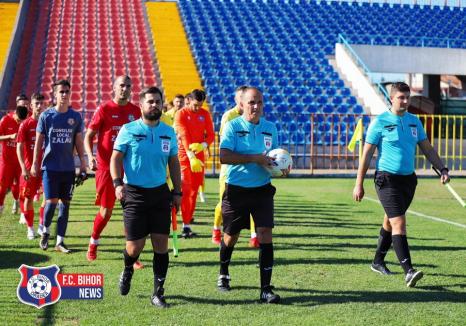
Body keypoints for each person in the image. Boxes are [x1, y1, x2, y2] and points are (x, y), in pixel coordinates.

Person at [353, 82, 450, 288]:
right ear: (391, 98)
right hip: (386, 180)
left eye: (408, 98)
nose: (405, 102)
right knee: (399, 222)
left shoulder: (415, 121)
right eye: (401, 98)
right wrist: (358, 183)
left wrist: (442, 168)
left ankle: (377, 261)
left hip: (408, 181)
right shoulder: (380, 122)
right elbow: (367, 155)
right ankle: (409, 271)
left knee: (390, 221)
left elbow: (427, 148)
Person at [111, 86, 181, 308]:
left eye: (158, 102)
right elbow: (115, 158)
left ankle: (158, 293)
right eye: (150, 101)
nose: (154, 105)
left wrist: (177, 191)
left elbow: (174, 162)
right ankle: (128, 267)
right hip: (134, 194)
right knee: (134, 247)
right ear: (141, 105)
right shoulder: (128, 129)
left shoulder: (168, 132)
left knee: (161, 245)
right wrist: (117, 184)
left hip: (160, 193)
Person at [217, 86, 285, 304]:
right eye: (251, 102)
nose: (256, 106)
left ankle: (266, 289)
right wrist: (254, 158)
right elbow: (224, 156)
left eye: (260, 102)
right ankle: (224, 272)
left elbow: (272, 158)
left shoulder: (270, 128)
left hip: (263, 189)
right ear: (242, 105)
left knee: (265, 233)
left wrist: (281, 167)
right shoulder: (232, 126)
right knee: (231, 236)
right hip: (236, 189)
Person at [84, 75, 143, 265]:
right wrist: (90, 155)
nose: (124, 89)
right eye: (121, 85)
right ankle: (93, 242)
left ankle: (132, 255)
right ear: (114, 88)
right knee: (106, 211)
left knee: (131, 211)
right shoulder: (104, 109)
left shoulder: (136, 111)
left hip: (130, 168)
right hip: (106, 167)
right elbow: (88, 136)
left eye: (127, 86)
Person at [31, 79, 86, 253]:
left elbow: (78, 142)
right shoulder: (46, 116)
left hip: (68, 169)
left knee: (65, 204)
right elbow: (39, 143)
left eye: (67, 91)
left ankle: (60, 242)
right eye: (61, 91)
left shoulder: (75, 117)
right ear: (55, 94)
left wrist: (82, 165)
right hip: (50, 168)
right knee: (51, 202)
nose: (64, 94)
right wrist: (34, 164)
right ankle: (45, 230)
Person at [212, 85, 259, 248]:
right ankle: (216, 229)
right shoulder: (229, 117)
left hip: (251, 169)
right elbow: (226, 145)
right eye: (241, 98)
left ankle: (254, 237)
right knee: (223, 204)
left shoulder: (255, 117)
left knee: (255, 203)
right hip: (230, 171)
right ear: (237, 100)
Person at [174, 89, 214, 237]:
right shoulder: (181, 114)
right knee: (185, 190)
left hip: (199, 157)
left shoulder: (204, 114)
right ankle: (183, 223)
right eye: (195, 105)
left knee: (194, 192)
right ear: (189, 100)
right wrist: (191, 157)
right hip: (184, 157)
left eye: (200, 105)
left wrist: (202, 146)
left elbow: (210, 135)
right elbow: (184, 137)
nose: (198, 108)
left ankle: (187, 224)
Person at [16, 93, 46, 239]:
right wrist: (23, 167)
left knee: (48, 198)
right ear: (31, 106)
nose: (40, 106)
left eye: (42, 103)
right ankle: (30, 228)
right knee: (27, 199)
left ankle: (41, 225)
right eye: (37, 103)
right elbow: (19, 148)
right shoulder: (25, 125)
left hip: (46, 169)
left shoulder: (48, 123)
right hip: (29, 169)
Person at [0, 94, 30, 215]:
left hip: (21, 161)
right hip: (6, 161)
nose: (20, 123)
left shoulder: (27, 120)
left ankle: (18, 203)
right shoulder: (5, 120)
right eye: (18, 121)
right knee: (2, 187)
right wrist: (9, 137)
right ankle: (1, 206)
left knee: (19, 186)